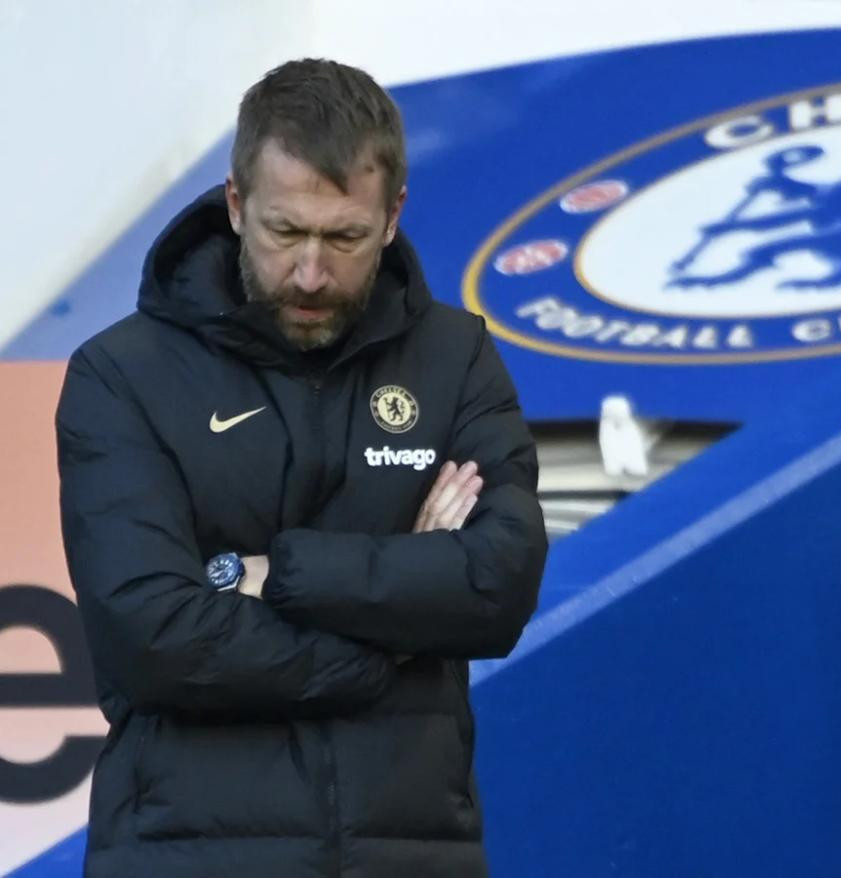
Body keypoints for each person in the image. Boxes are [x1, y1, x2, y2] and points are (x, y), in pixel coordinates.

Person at [56, 58, 548, 878]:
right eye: (285, 233)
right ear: (237, 204)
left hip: (412, 856)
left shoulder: (456, 358)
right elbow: (153, 635)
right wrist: (391, 641)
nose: (311, 272)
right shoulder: (121, 375)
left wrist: (276, 570)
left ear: (392, 218)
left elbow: (498, 586)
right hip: (186, 858)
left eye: (344, 237)